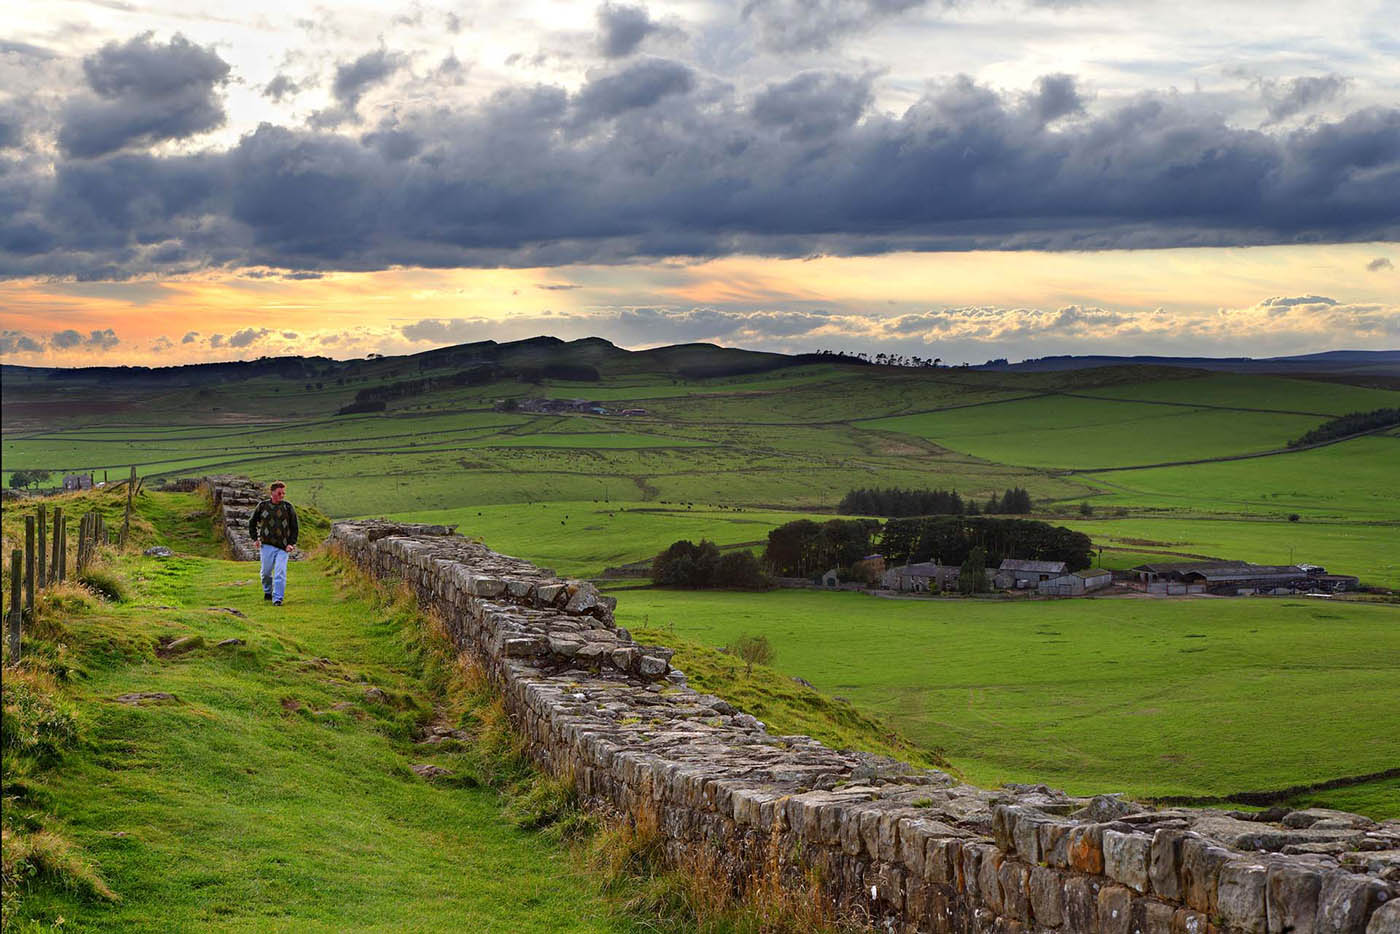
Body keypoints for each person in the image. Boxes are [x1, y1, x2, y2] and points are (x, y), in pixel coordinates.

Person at [249, 481, 299, 606]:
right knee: (266, 573)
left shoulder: (288, 507)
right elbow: (252, 522)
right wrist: (255, 539)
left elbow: (294, 527)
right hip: (266, 545)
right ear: (272, 493)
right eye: (279, 493)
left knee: (280, 572)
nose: (282, 495)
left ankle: (277, 599)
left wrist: (291, 543)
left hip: (283, 547)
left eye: (283, 493)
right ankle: (267, 591)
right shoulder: (262, 506)